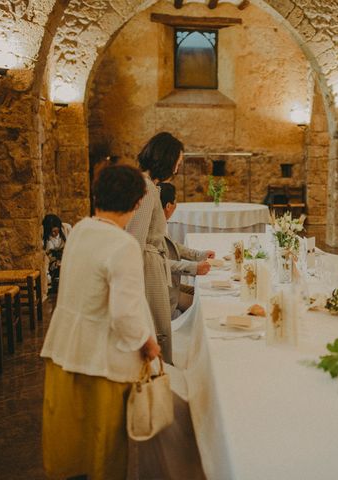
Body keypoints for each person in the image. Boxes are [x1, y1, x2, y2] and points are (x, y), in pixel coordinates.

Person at [40, 164, 160, 479]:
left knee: (73, 455)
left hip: (66, 354)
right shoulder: (123, 245)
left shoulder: (79, 229)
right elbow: (125, 315)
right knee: (104, 457)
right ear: (136, 203)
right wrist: (148, 345)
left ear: (98, 196)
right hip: (101, 365)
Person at [126, 132, 184, 364]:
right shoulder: (148, 189)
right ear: (167, 159)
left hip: (151, 263)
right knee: (157, 327)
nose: (177, 169)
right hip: (148, 269)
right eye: (177, 163)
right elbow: (135, 239)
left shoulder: (144, 184)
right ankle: (158, 382)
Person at [158, 182, 214, 316]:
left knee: (207, 293)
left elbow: (173, 245)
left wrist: (199, 255)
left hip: (172, 284)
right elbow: (158, 262)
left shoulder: (159, 221)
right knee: (204, 308)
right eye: (176, 202)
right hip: (163, 290)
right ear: (168, 206)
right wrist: (194, 267)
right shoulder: (153, 225)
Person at [41, 214, 72, 294]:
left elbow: (73, 247)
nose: (54, 233)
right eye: (51, 232)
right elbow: (45, 256)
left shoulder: (66, 228)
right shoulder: (44, 237)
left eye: (56, 231)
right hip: (52, 263)